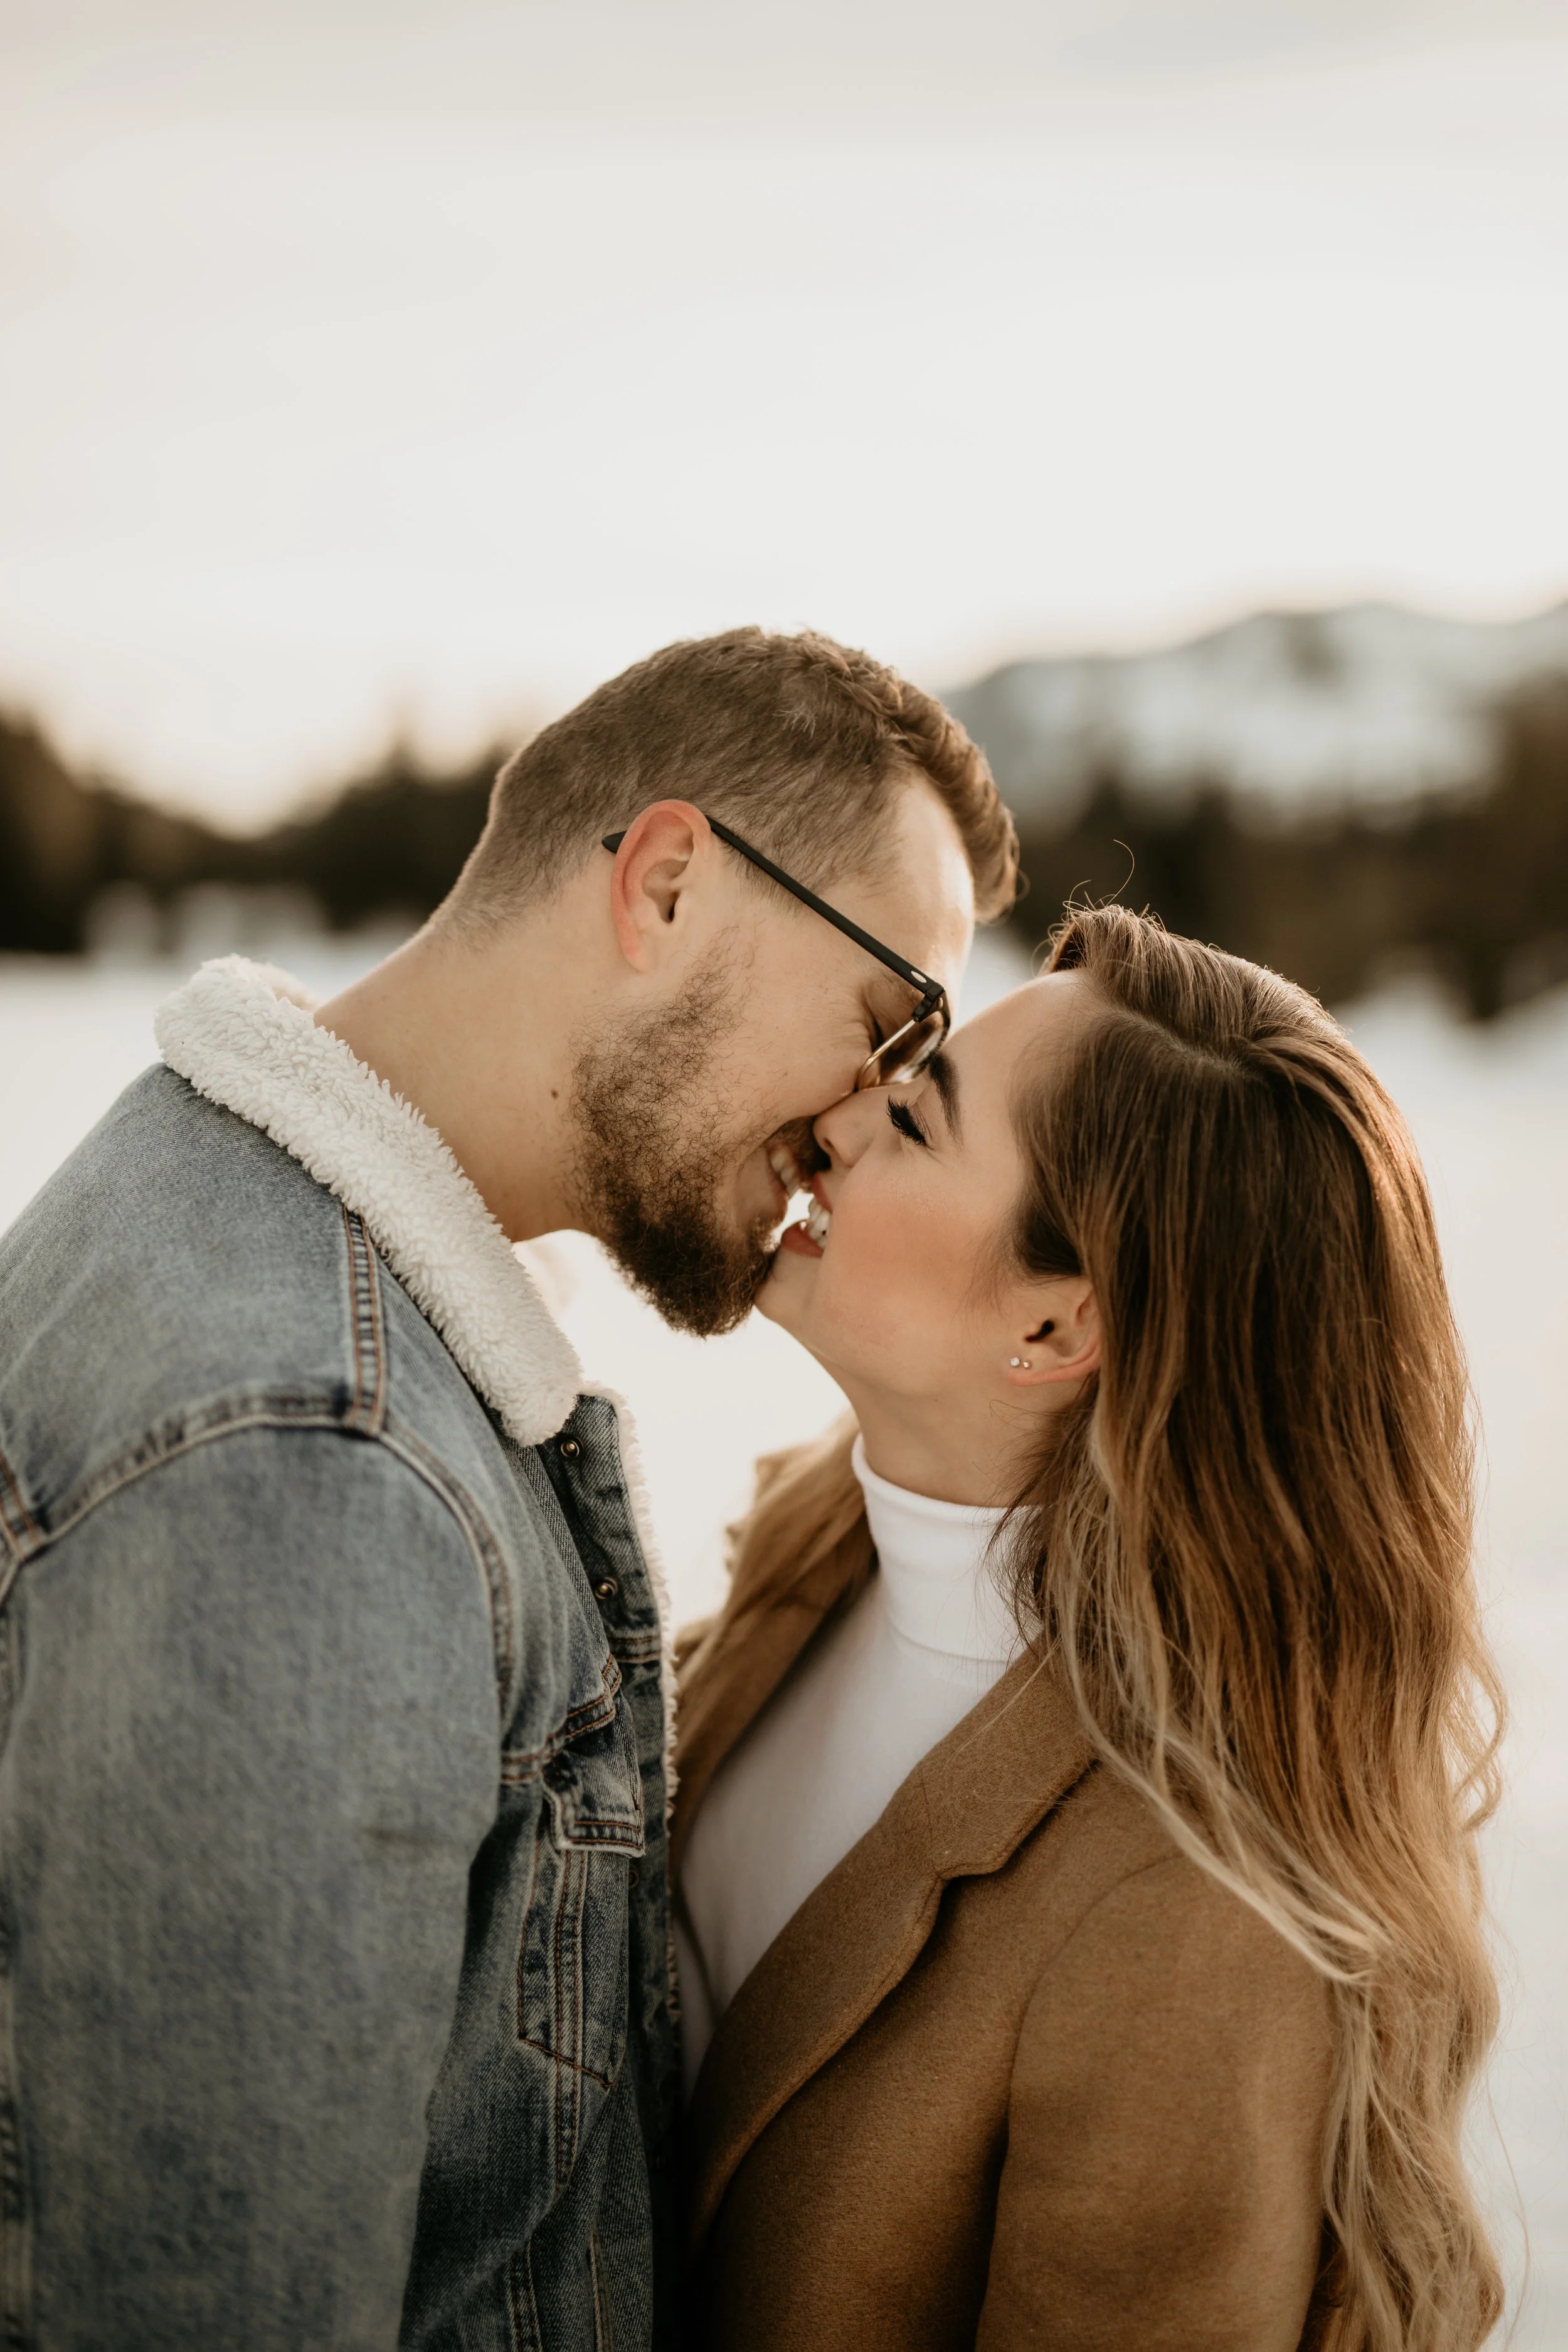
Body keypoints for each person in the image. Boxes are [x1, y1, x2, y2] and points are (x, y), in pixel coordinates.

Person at [0, 627, 1017, 2349]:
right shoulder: (313, 1461)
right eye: (887, 1020)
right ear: (670, 883)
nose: (867, 1118)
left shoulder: (294, 1266)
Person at [675, 904, 1505, 2352]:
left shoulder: (1187, 1928)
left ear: (1055, 1332)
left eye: (914, 1119)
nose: (836, 1114)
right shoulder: (815, 1550)